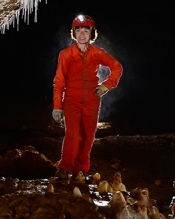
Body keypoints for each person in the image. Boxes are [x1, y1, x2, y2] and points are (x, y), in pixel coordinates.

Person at [51, 15, 123, 176]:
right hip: (71, 100)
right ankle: (64, 168)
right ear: (73, 33)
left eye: (86, 30)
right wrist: (57, 106)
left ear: (92, 34)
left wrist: (106, 85)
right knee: (73, 135)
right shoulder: (66, 55)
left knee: (88, 136)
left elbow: (117, 67)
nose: (82, 34)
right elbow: (59, 81)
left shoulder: (97, 53)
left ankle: (80, 170)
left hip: (92, 100)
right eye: (78, 30)